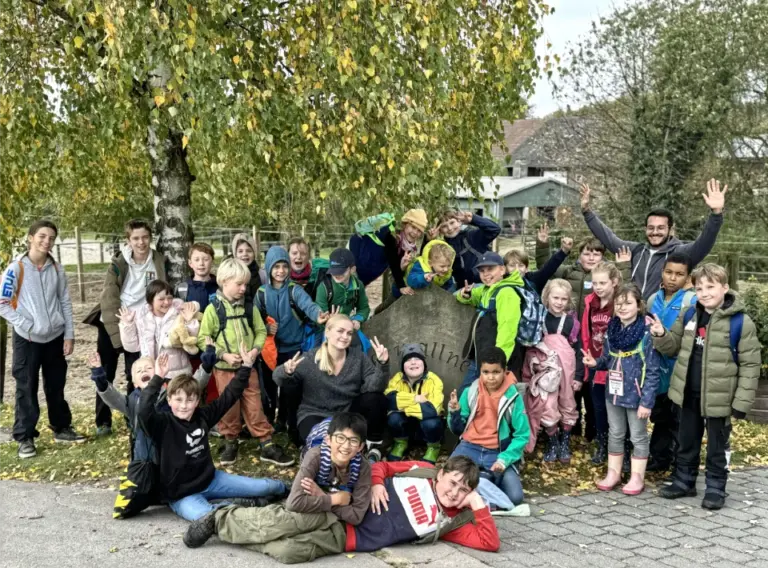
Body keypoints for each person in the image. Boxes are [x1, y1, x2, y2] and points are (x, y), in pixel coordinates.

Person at [183, 455, 500, 562]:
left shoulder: (453, 522)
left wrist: (476, 503)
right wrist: (376, 483)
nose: (454, 491)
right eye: (453, 482)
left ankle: (243, 517)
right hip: (339, 509)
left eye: (464, 489)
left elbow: (489, 543)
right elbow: (382, 466)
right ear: (442, 473)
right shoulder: (423, 470)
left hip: (347, 539)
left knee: (286, 553)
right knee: (275, 525)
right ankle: (219, 518)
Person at [652, 263, 760, 510]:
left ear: (725, 288)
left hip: (720, 400)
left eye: (710, 287)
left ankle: (715, 487)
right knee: (686, 440)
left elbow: (750, 366)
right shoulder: (689, 314)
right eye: (699, 287)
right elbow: (673, 346)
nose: (704, 292)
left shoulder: (741, 323)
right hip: (688, 394)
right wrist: (660, 334)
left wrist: (741, 403)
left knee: (717, 446)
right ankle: (684, 481)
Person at [138, 347, 288, 522]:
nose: (184, 405)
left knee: (267, 486)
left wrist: (246, 366)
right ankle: (239, 504)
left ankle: (288, 490)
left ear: (197, 401)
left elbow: (229, 396)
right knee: (208, 517)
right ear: (169, 400)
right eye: (178, 400)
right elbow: (143, 411)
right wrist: (158, 377)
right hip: (182, 495)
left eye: (190, 400)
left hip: (211, 480)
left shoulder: (202, 416)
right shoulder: (162, 423)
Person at [88, 344, 213, 518]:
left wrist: (206, 365)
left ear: (160, 372)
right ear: (134, 381)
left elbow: (196, 384)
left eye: (148, 367)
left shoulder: (171, 393)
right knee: (138, 497)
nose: (144, 370)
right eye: (139, 371)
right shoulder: (130, 402)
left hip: (172, 457)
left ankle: (181, 498)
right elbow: (110, 397)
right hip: (146, 460)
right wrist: (99, 375)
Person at [0, 220, 84, 458]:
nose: (46, 241)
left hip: (55, 337)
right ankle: (25, 437)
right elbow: (2, 303)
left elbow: (65, 302)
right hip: (27, 339)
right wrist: (27, 324)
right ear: (31, 238)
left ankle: (61, 427)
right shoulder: (16, 268)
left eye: (51, 238)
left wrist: (69, 334)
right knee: (26, 387)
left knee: (56, 385)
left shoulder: (57, 269)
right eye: (42, 236)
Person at [197, 258, 292, 467]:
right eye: (239, 284)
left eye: (245, 284)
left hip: (248, 368)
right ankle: (230, 440)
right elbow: (203, 340)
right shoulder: (213, 310)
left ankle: (266, 443)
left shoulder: (249, 307)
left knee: (254, 403)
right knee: (228, 405)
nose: (243, 288)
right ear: (224, 282)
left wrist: (255, 350)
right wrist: (223, 355)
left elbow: (260, 331)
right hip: (224, 370)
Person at [83, 218, 168, 436]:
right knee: (106, 371)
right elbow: (109, 299)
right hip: (113, 320)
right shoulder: (118, 265)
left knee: (137, 372)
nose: (141, 243)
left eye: (145, 238)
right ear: (128, 240)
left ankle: (136, 416)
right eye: (136, 238)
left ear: (150, 238)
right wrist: (116, 333)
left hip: (139, 323)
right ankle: (103, 420)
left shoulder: (158, 260)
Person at [579, 179, 727, 300]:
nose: (655, 232)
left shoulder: (680, 254)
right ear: (645, 229)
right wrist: (587, 211)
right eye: (651, 228)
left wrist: (716, 214)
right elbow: (608, 237)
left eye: (661, 228)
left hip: (661, 319)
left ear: (670, 229)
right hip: (631, 316)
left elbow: (704, 242)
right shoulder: (635, 250)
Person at [273, 314, 390, 462]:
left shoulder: (358, 357)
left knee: (375, 398)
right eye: (340, 331)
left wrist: (382, 364)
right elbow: (278, 378)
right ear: (327, 332)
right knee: (327, 450)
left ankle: (373, 446)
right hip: (315, 413)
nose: (345, 336)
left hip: (346, 413)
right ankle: (309, 450)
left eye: (349, 333)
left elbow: (375, 387)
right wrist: (286, 370)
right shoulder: (311, 358)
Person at [583, 284, 660, 496]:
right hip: (614, 392)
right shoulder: (613, 329)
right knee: (615, 433)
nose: (622, 307)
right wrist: (595, 362)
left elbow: (653, 371)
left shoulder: (647, 332)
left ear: (639, 305)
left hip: (637, 396)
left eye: (628, 303)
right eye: (619, 303)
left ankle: (637, 476)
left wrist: (647, 401)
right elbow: (608, 359)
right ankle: (613, 473)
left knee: (637, 436)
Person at [536, 237, 608, 442]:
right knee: (567, 386)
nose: (591, 257)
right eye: (587, 252)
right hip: (568, 335)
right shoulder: (568, 272)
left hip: (595, 338)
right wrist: (543, 246)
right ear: (579, 255)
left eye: (596, 253)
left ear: (602, 256)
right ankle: (570, 431)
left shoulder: (604, 278)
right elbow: (545, 268)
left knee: (590, 386)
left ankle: (593, 432)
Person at [255, 246, 330, 441]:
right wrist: (265, 327)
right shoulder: (261, 293)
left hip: (294, 348)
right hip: (270, 350)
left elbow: (308, 305)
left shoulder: (294, 290)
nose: (280, 271)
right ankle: (274, 421)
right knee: (271, 386)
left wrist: (318, 315)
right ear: (269, 268)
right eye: (276, 267)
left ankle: (292, 426)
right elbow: (255, 319)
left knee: (291, 388)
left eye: (284, 266)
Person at [448, 347, 529, 507]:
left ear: (505, 371)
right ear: (480, 372)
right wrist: (455, 412)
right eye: (486, 372)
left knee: (515, 497)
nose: (490, 377)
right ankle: (484, 482)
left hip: (497, 451)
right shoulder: (471, 390)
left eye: (495, 372)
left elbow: (522, 435)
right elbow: (457, 429)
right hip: (469, 447)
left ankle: (483, 481)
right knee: (448, 479)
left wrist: (505, 460)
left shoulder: (513, 396)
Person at [646, 253, 697, 472]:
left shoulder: (691, 301)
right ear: (662, 272)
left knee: (679, 420)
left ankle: (680, 464)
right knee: (660, 417)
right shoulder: (651, 300)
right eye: (669, 272)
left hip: (679, 370)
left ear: (687, 278)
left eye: (679, 274)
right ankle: (659, 458)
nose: (672, 278)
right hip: (657, 370)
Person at [524, 279, 582, 464]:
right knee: (547, 404)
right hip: (545, 368)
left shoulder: (571, 321)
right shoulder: (539, 317)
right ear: (547, 297)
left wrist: (579, 376)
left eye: (563, 299)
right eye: (555, 297)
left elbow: (579, 348)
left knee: (567, 402)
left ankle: (565, 441)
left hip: (567, 367)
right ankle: (552, 440)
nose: (559, 302)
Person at [455, 251, 523, 397]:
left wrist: (497, 365)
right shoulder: (487, 290)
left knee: (484, 399)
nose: (485, 274)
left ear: (502, 270)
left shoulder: (507, 293)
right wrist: (465, 294)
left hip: (493, 362)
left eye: (490, 269)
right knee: (467, 396)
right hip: (480, 357)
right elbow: (470, 297)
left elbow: (507, 331)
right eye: (482, 271)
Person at [581, 258, 626, 464]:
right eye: (595, 283)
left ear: (614, 282)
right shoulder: (591, 303)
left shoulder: (621, 304)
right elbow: (586, 332)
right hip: (595, 364)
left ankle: (623, 448)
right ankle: (602, 444)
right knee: (598, 408)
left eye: (603, 283)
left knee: (619, 408)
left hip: (617, 366)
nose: (598, 288)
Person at [117, 280, 200, 379]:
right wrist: (128, 325)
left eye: (169, 298)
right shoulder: (142, 318)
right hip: (151, 373)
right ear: (151, 300)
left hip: (176, 374)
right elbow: (132, 347)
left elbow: (191, 339)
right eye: (161, 299)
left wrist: (189, 321)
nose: (166, 302)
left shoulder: (179, 313)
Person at [385, 344, 445, 464]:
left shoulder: (434, 380)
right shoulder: (397, 378)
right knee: (394, 418)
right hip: (407, 426)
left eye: (417, 359)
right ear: (403, 366)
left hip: (426, 427)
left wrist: (402, 406)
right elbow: (389, 400)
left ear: (424, 364)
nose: (413, 362)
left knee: (431, 422)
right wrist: (416, 398)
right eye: (408, 360)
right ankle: (400, 443)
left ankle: (433, 447)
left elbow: (432, 409)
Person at [176, 242, 219, 401]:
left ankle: (215, 422)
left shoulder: (219, 287)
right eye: (197, 259)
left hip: (214, 344)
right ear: (190, 263)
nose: (201, 263)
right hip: (191, 348)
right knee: (193, 386)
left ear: (212, 261)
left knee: (214, 387)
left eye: (205, 259)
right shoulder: (183, 288)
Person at [349, 209, 428, 294]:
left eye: (419, 231)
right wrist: (401, 286)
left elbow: (398, 268)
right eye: (413, 227)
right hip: (353, 267)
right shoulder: (391, 234)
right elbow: (393, 260)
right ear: (405, 224)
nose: (415, 232)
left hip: (363, 277)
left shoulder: (406, 246)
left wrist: (401, 267)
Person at [314, 248, 370, 346]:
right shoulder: (324, 288)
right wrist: (329, 319)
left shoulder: (358, 285)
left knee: (364, 345)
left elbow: (364, 308)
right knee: (320, 352)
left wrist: (357, 319)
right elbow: (320, 315)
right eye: (334, 271)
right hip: (326, 328)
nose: (337, 274)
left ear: (352, 269)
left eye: (341, 271)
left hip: (348, 325)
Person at [435, 209, 501, 285]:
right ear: (440, 230)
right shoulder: (442, 247)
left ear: (459, 221)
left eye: (452, 223)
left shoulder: (472, 236)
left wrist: (473, 219)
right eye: (444, 226)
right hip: (461, 288)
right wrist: (428, 240)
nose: (450, 228)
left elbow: (495, 229)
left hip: (484, 283)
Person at [504, 224, 574, 295]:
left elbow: (549, 267)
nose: (517, 269)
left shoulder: (533, 281)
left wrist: (563, 251)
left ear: (527, 268)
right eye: (512, 265)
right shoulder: (499, 283)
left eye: (521, 265)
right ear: (505, 268)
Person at [230, 233, 264, 304]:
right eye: (240, 251)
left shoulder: (262, 275)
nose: (244, 254)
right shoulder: (229, 274)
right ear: (235, 254)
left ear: (254, 253)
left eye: (249, 251)